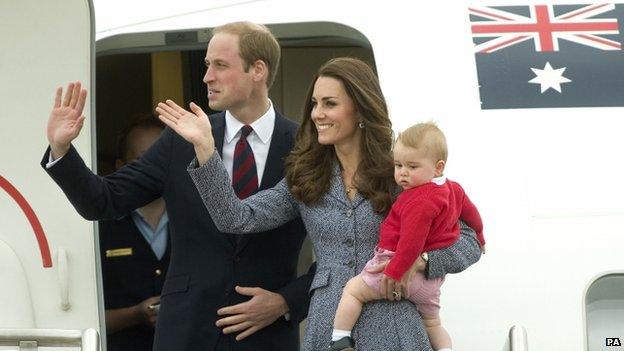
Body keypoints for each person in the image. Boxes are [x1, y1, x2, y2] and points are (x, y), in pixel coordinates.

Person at [157, 57, 483, 350]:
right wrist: (204, 148)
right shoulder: (306, 176)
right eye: (315, 103)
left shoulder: (402, 172)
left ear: (359, 110)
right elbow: (236, 218)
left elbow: (470, 243)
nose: (318, 114)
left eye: (329, 103)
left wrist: (422, 260)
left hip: (395, 323)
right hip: (329, 327)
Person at [42, 22, 315, 351]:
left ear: (257, 70)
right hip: (186, 333)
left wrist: (286, 302)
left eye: (220, 65)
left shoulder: (306, 147)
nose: (207, 77)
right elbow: (102, 201)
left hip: (267, 337)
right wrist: (61, 151)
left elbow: (342, 251)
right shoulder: (180, 141)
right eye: (206, 65)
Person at [329, 122, 486, 351]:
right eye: (398, 165)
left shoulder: (418, 199)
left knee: (353, 291)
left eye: (412, 167)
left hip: (395, 266)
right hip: (431, 283)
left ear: (438, 167)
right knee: (432, 323)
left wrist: (394, 272)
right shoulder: (454, 189)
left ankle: (340, 338)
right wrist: (480, 236)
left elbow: (411, 242)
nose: (402, 173)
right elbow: (471, 214)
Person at [99, 116, 169, 351]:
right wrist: (135, 315)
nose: (151, 171)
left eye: (160, 160)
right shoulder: (99, 228)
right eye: (140, 162)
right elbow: (82, 317)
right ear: (120, 166)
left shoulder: (195, 220)